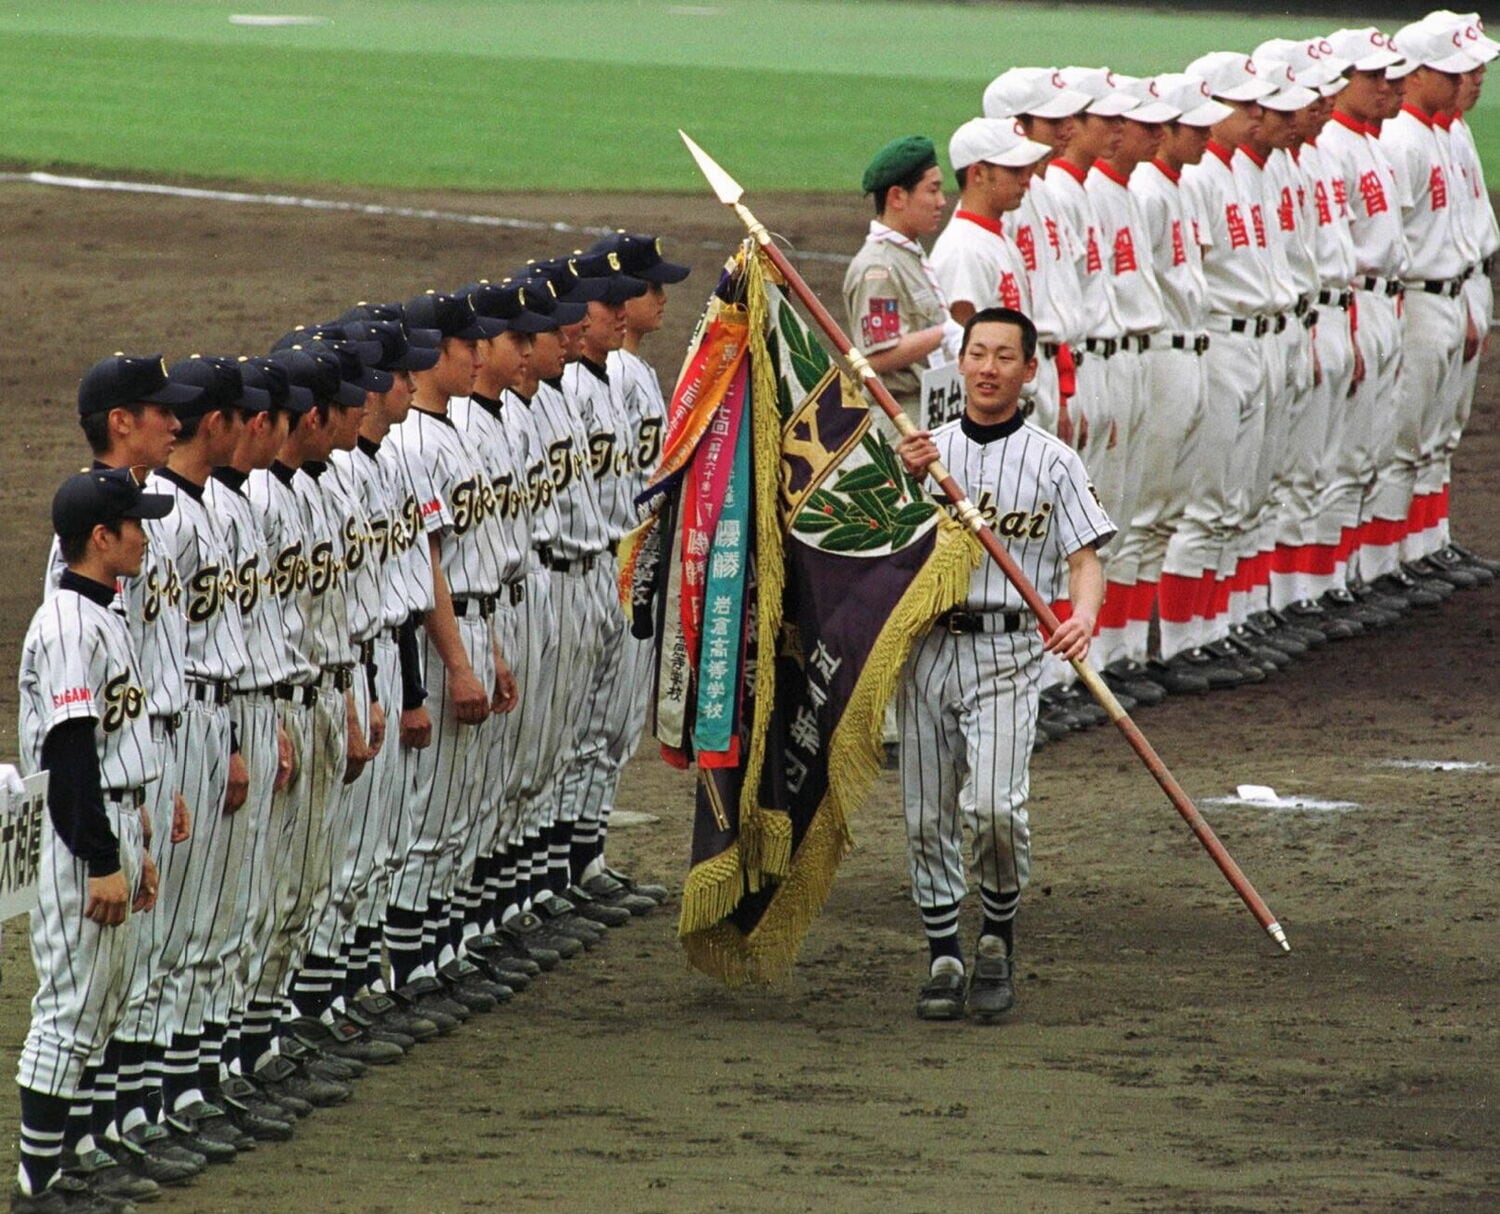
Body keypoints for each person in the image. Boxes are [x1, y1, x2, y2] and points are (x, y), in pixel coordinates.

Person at [893, 307, 1113, 1023]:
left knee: (991, 808)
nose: (987, 368)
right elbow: (876, 555)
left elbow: (1087, 560)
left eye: (1002, 357)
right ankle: (943, 955)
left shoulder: (1054, 460)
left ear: (1027, 370)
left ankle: (995, 936)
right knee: (927, 815)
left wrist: (1081, 617)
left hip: (1008, 651)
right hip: (925, 650)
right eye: (977, 354)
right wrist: (900, 486)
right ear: (961, 366)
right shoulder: (926, 454)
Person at [15, 467, 172, 1214]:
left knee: (101, 1005)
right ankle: (37, 1187)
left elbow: (112, 740)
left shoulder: (102, 612)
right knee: (69, 1009)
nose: (146, 534)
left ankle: (72, 1160)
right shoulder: (69, 625)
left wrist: (135, 839)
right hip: (81, 832)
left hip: (111, 819)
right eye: (135, 524)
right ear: (100, 538)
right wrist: (104, 860)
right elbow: (71, 752)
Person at [842, 135, 958, 426]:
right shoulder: (878, 267)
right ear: (897, 197)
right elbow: (879, 354)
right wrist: (944, 334)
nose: (942, 201)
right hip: (901, 424)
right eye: (932, 190)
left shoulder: (906, 254)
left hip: (925, 412)